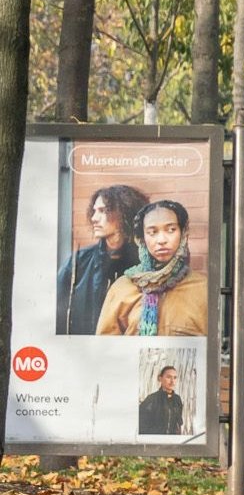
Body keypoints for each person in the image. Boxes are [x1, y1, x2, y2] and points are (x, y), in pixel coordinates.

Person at [96, 201, 206, 337]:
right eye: (152, 232)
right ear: (141, 239)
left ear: (183, 234)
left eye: (171, 230)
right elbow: (105, 349)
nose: (161, 240)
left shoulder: (203, 289)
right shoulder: (122, 289)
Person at [56, 184, 147, 334]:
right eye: (94, 211)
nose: (93, 218)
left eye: (103, 211)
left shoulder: (144, 263)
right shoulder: (78, 261)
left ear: (125, 213)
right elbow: (57, 313)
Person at [139, 364, 184, 435]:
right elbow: (141, 425)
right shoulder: (152, 399)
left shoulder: (177, 400)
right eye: (169, 377)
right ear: (160, 378)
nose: (172, 381)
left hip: (172, 442)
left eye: (175, 378)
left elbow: (178, 424)